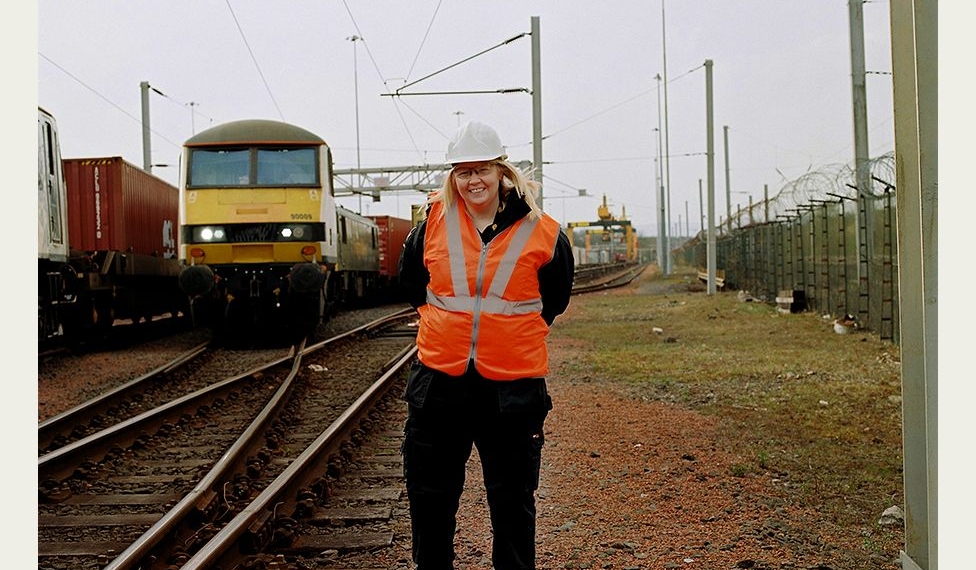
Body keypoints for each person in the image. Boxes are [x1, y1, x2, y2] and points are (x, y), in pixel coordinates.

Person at [397, 121, 575, 569]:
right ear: (452, 177)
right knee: (430, 503)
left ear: (502, 172)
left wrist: (502, 337)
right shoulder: (430, 224)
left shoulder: (545, 232)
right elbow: (413, 287)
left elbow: (553, 302)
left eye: (482, 170)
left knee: (513, 505)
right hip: (439, 386)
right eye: (463, 171)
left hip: (512, 392)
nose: (472, 180)